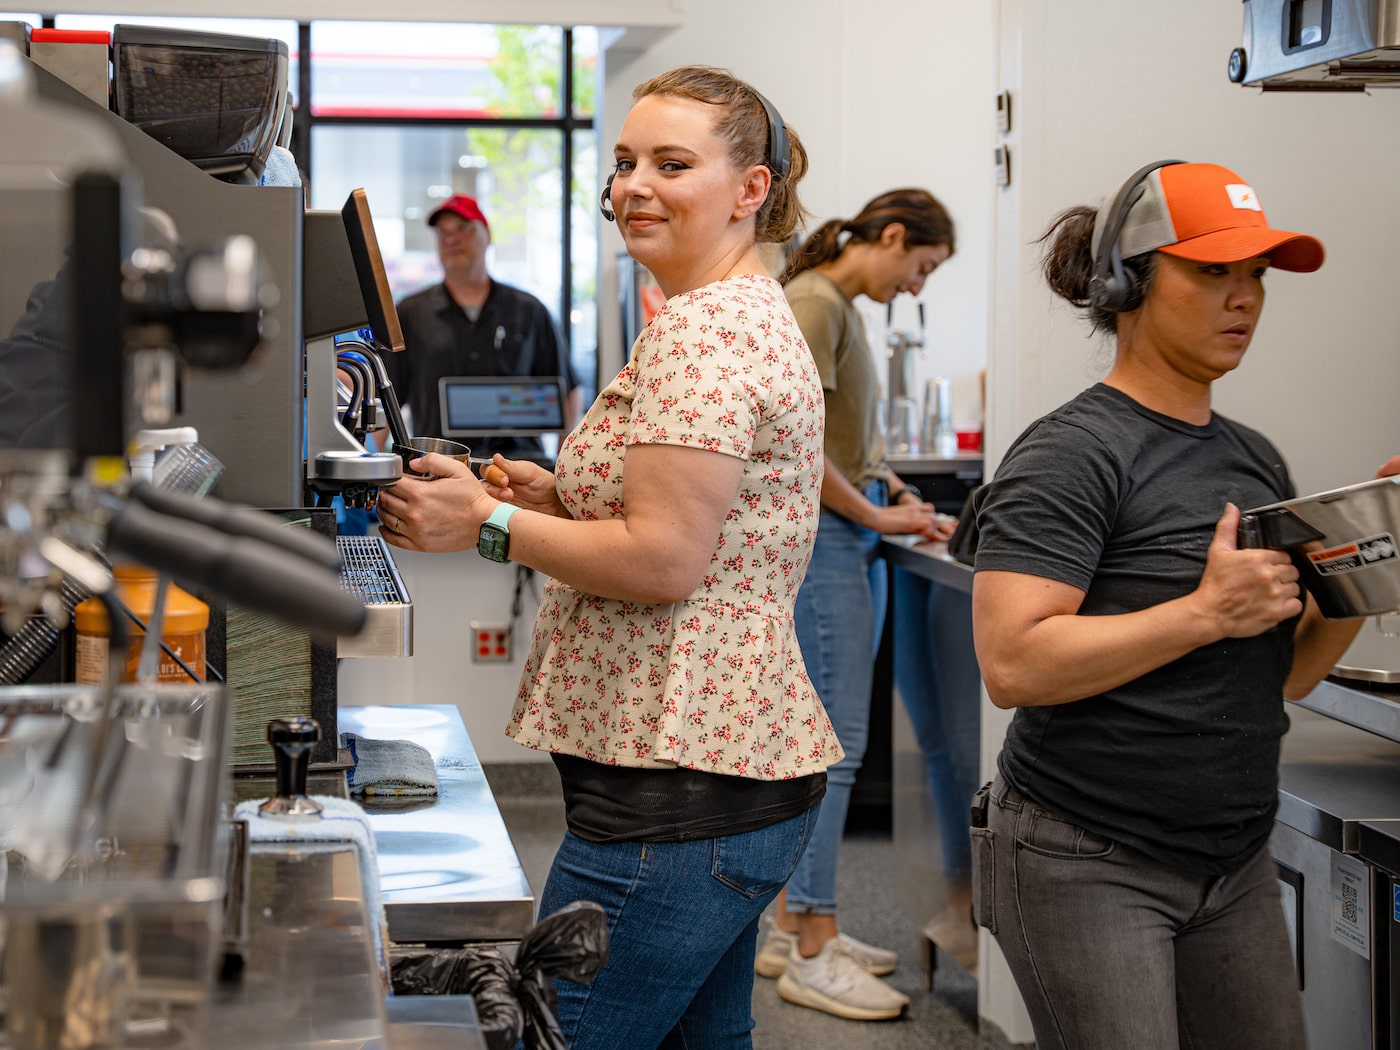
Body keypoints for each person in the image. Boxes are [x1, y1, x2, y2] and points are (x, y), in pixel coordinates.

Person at [376, 65, 840, 1049]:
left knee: (559, 1034)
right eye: (626, 161)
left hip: (674, 794)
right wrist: (562, 495)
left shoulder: (704, 332)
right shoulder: (730, 310)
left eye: (671, 164)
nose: (634, 185)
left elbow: (668, 560)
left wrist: (487, 526)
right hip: (725, 776)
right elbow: (698, 512)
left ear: (748, 189)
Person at [970, 159, 1399, 1050]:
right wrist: (1203, 612)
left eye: (1257, 277)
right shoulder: (1071, 454)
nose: (1244, 298)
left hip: (1233, 856)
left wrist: (1377, 561)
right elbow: (1013, 664)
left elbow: (1282, 675)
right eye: (1213, 272)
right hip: (1085, 855)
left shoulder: (1251, 458)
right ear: (1129, 281)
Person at [753, 189, 956, 1021]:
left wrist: (895, 491)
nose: (918, 284)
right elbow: (795, 441)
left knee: (829, 741)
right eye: (922, 266)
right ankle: (813, 945)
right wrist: (873, 513)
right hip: (827, 542)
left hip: (848, 535)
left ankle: (792, 924)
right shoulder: (812, 303)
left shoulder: (837, 305)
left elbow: (844, 439)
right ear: (895, 236)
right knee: (833, 747)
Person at [380, 193, 582, 463]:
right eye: (443, 233)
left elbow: (568, 388)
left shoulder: (528, 310)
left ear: (487, 235)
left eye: (463, 228)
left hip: (518, 465)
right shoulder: (411, 313)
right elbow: (387, 393)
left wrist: (565, 464)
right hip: (438, 465)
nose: (452, 239)